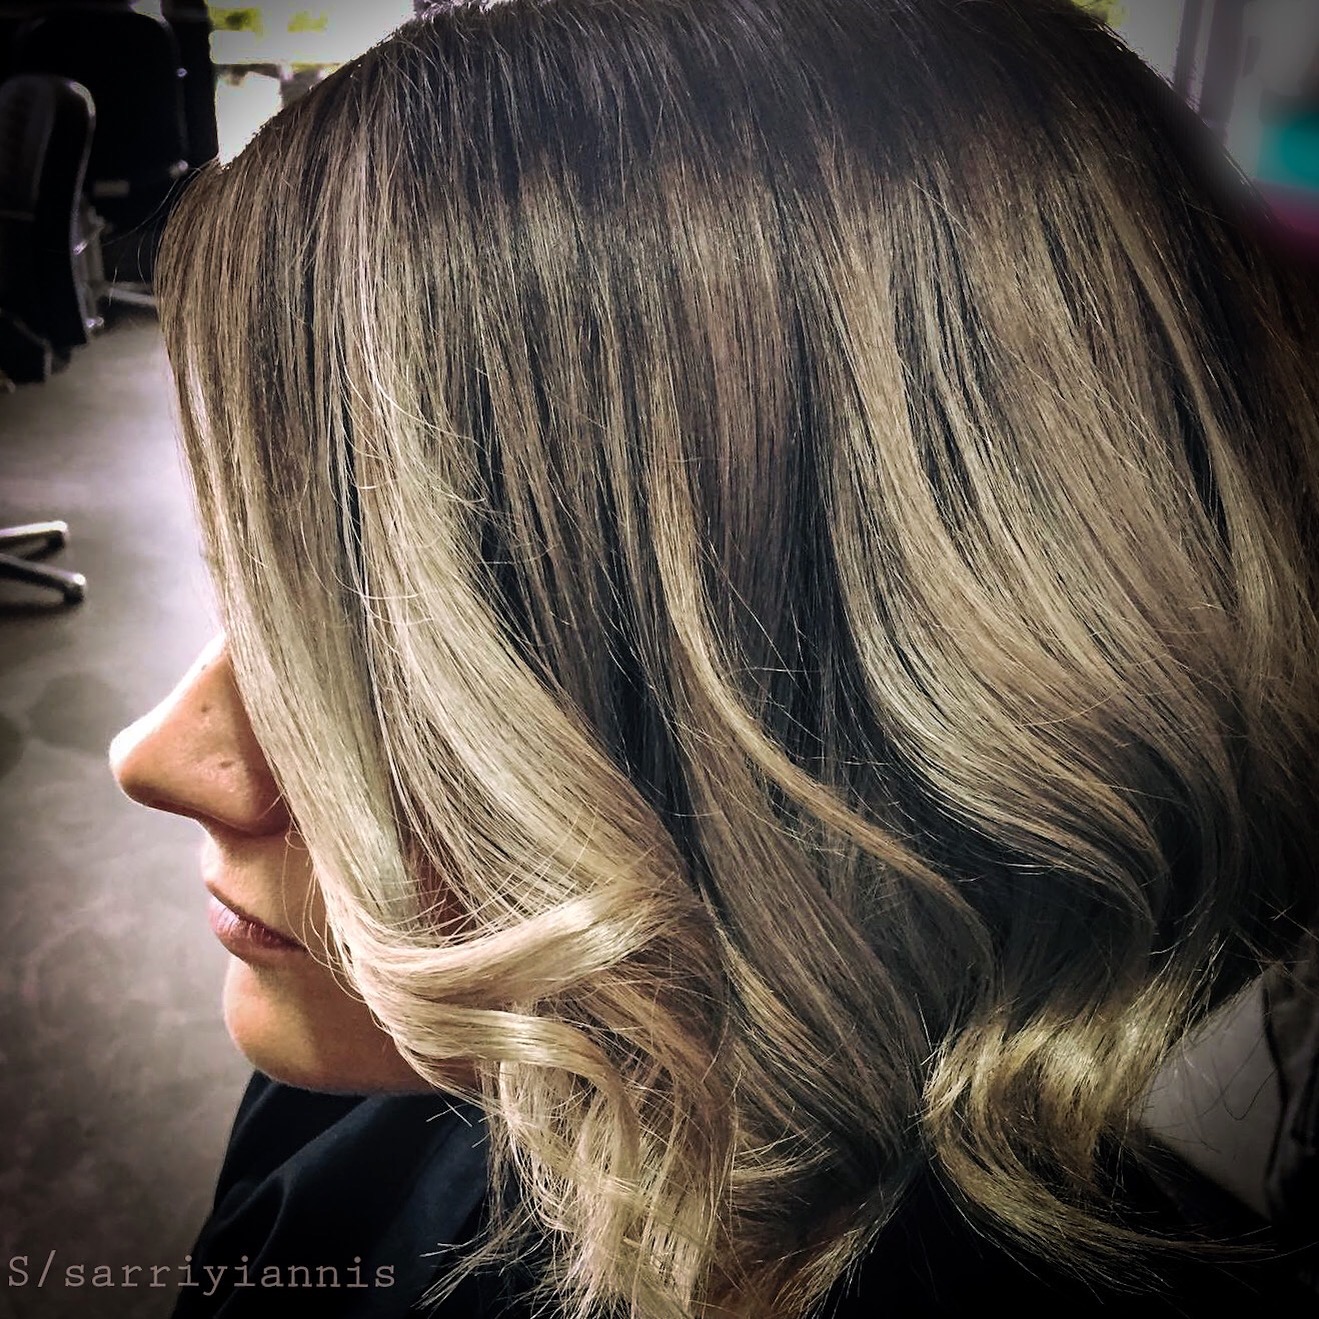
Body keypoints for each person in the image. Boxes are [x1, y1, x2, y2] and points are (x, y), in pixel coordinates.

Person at [109, 0, 1319, 1314]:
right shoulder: (380, 1089)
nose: (155, 759)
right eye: (260, 610)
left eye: (390, 666)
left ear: (880, 746)